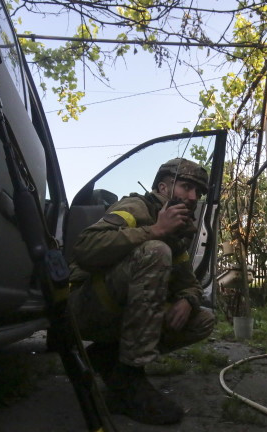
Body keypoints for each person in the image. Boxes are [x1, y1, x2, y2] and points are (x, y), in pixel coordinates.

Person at [68, 158, 216, 425]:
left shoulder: (179, 234)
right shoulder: (136, 207)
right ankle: (129, 380)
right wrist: (155, 231)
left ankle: (108, 355)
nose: (193, 197)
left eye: (198, 192)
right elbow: (85, 247)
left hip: (115, 314)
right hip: (83, 307)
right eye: (186, 187)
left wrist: (187, 298)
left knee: (203, 320)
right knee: (156, 250)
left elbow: (189, 282)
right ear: (162, 187)